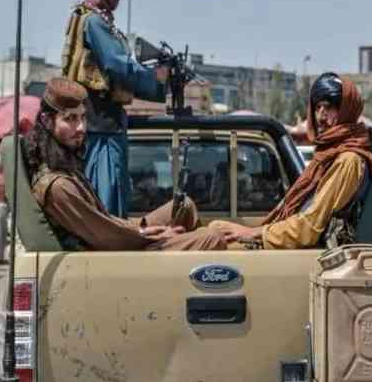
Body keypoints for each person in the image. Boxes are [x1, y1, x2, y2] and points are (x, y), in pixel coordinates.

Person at [27, 78, 225, 252]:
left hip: (119, 239)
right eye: (70, 119)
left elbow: (105, 222)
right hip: (111, 256)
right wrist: (148, 234)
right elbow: (105, 237)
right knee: (211, 238)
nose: (81, 128)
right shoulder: (58, 186)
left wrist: (142, 228)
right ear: (46, 120)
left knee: (184, 206)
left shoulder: (66, 168)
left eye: (83, 117)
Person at [214, 73, 372, 249]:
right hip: (290, 235)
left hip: (306, 247)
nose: (321, 115)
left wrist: (252, 233)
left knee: (212, 243)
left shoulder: (348, 160)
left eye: (329, 107)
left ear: (346, 110)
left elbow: (309, 228)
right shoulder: (329, 154)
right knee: (215, 228)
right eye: (317, 107)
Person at [61, 0, 169, 218]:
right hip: (101, 126)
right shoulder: (94, 22)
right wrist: (158, 80)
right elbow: (117, 65)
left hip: (103, 123)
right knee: (106, 203)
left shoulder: (94, 19)